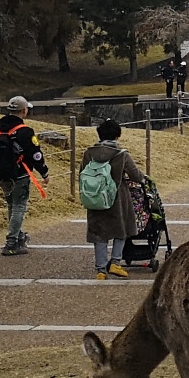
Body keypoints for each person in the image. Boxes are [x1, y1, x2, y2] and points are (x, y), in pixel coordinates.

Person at [78, 118, 147, 279]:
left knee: (99, 233)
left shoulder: (89, 153)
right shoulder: (121, 154)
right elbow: (136, 176)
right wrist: (144, 178)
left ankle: (101, 270)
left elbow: (82, 173)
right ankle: (115, 262)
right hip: (117, 197)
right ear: (117, 136)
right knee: (121, 230)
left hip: (95, 197)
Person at [0, 95, 48, 257]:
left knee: (11, 205)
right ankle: (11, 242)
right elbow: (35, 154)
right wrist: (44, 172)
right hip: (20, 173)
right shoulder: (25, 131)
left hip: (0, 174)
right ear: (24, 110)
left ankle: (18, 236)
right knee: (19, 206)